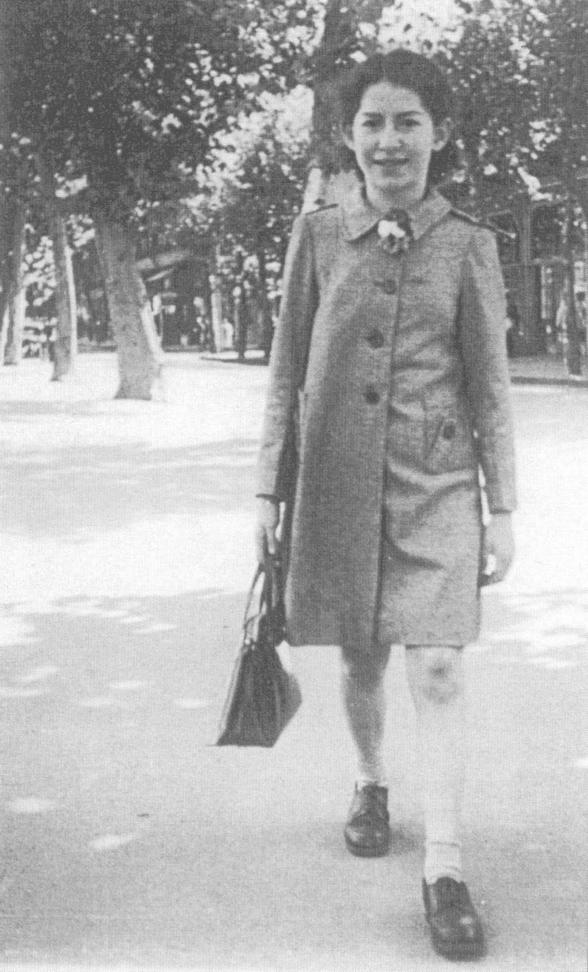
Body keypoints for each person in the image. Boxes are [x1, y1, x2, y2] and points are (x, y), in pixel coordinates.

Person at [255, 49, 516, 961]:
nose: (390, 139)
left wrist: (503, 506)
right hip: (334, 480)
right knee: (361, 658)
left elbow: (491, 386)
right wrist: (267, 489)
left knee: (437, 668)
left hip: (435, 486)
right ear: (348, 135)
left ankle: (445, 868)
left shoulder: (470, 242)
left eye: (409, 121)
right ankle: (370, 781)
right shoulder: (319, 235)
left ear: (439, 135)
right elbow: (285, 370)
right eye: (373, 122)